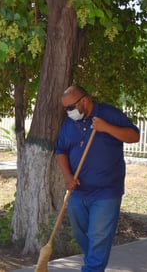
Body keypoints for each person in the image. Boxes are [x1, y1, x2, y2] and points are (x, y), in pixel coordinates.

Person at [55, 85, 140, 272]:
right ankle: (94, 263)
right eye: (66, 109)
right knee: (81, 235)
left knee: (99, 236)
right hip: (78, 191)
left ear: (84, 101)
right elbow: (61, 150)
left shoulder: (109, 114)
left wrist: (106, 127)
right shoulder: (69, 124)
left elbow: (134, 136)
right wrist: (68, 176)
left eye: (70, 107)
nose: (68, 112)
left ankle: (92, 268)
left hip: (106, 191)